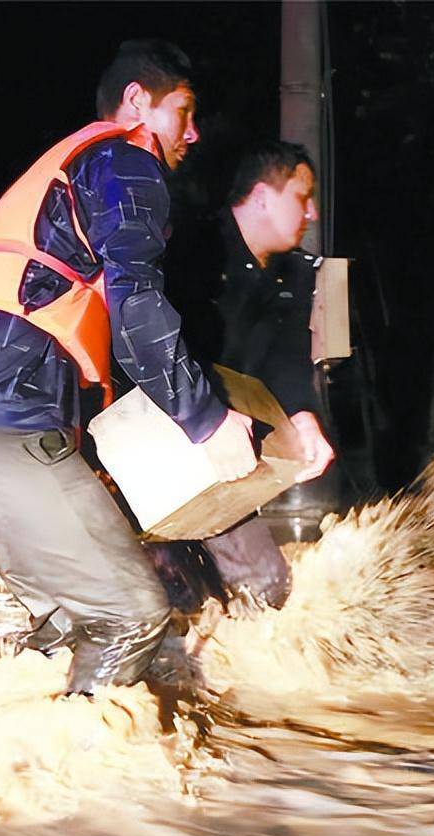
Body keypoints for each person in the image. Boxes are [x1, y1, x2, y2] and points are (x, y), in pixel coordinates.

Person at [0, 40, 261, 695]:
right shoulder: (126, 159)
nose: (194, 131)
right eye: (183, 110)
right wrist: (206, 420)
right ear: (137, 102)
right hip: (1, 430)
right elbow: (138, 309)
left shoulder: (75, 171)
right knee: (132, 619)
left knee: (84, 635)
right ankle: (91, 791)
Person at [160, 140, 336, 613]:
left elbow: (289, 358)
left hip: (224, 457)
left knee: (259, 589)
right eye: (303, 197)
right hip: (164, 442)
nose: (313, 213)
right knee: (253, 583)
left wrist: (303, 416)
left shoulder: (294, 273)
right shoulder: (190, 249)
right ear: (261, 198)